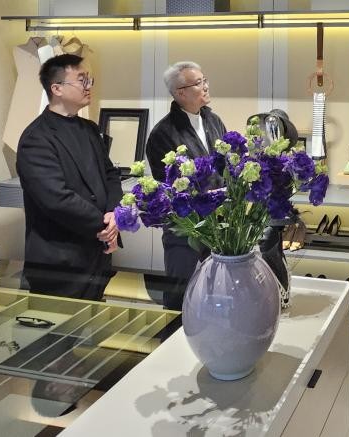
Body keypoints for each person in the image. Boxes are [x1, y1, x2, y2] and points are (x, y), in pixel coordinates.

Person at [17, 54, 121, 301]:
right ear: (57, 89)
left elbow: (110, 175)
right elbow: (56, 199)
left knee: (93, 321)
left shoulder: (90, 129)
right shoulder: (36, 138)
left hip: (97, 253)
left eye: (89, 80)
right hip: (59, 261)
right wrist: (104, 225)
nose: (88, 86)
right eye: (81, 80)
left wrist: (115, 213)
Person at [144, 61, 226, 309]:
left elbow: (225, 166)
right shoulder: (163, 133)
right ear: (180, 93)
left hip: (218, 223)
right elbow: (169, 189)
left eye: (205, 80)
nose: (206, 86)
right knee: (181, 295)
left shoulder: (213, 120)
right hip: (184, 228)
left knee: (216, 293)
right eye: (198, 83)